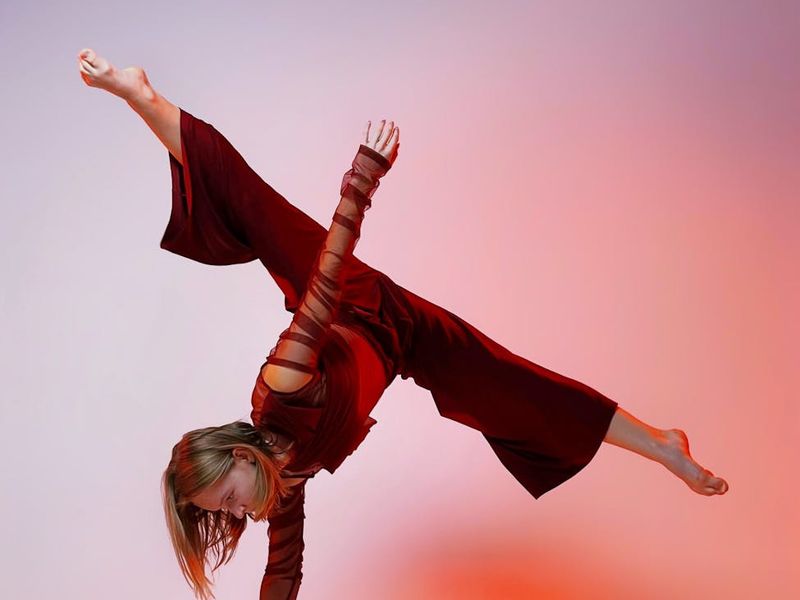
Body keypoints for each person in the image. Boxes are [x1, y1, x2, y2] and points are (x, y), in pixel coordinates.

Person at [77, 48, 730, 600]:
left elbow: (327, 284)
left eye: (224, 499)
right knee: (510, 394)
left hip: (359, 302)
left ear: (238, 455)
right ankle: (666, 439)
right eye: (221, 515)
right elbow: (284, 568)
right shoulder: (284, 481)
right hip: (405, 344)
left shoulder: (280, 387)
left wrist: (360, 181)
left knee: (253, 208)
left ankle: (141, 96)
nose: (234, 515)